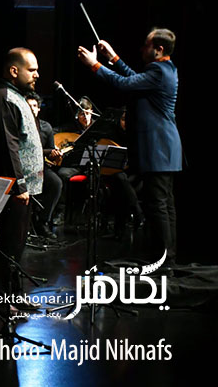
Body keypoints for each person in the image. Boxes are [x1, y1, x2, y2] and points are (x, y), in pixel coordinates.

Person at [77, 29, 182, 263]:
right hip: (166, 148)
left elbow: (124, 83)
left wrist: (94, 65)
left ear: (159, 49)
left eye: (147, 45)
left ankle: (163, 259)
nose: (142, 49)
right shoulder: (165, 69)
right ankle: (168, 257)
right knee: (164, 205)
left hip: (158, 148)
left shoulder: (158, 71)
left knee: (158, 205)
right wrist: (113, 57)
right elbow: (134, 79)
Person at [0, 48, 44, 303]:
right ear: (14, 70)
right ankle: (4, 299)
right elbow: (7, 147)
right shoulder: (3, 98)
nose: (37, 74)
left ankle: (12, 295)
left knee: (16, 245)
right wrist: (19, 185)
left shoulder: (15, 96)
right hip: (10, 189)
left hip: (19, 189)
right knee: (8, 246)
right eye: (32, 70)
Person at [25, 92, 62, 239]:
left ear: (39, 109)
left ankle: (42, 221)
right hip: (21, 168)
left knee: (56, 183)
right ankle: (24, 225)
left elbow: (50, 150)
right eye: (28, 106)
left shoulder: (46, 127)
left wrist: (54, 154)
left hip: (40, 167)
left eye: (34, 106)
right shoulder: (18, 125)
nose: (31, 108)